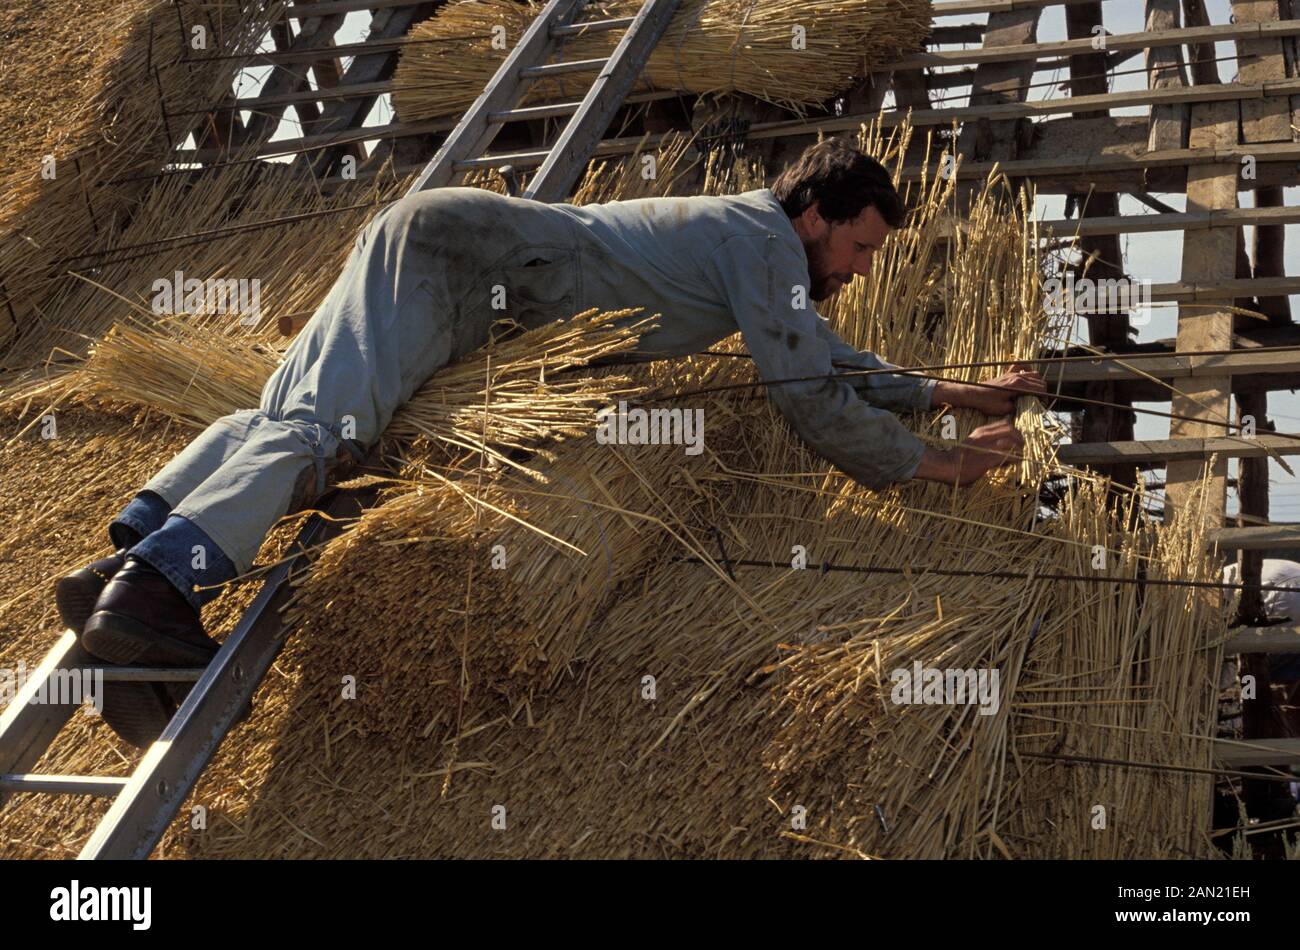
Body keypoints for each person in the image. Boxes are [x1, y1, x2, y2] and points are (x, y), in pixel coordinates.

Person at [55, 137, 1046, 745]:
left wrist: (961, 392)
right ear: (815, 213)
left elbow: (830, 359)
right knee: (330, 436)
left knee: (284, 415)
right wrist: (939, 464)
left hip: (446, 239)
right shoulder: (762, 242)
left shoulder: (755, 246)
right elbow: (805, 396)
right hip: (465, 259)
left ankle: (125, 560)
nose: (863, 267)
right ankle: (154, 593)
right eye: (861, 244)